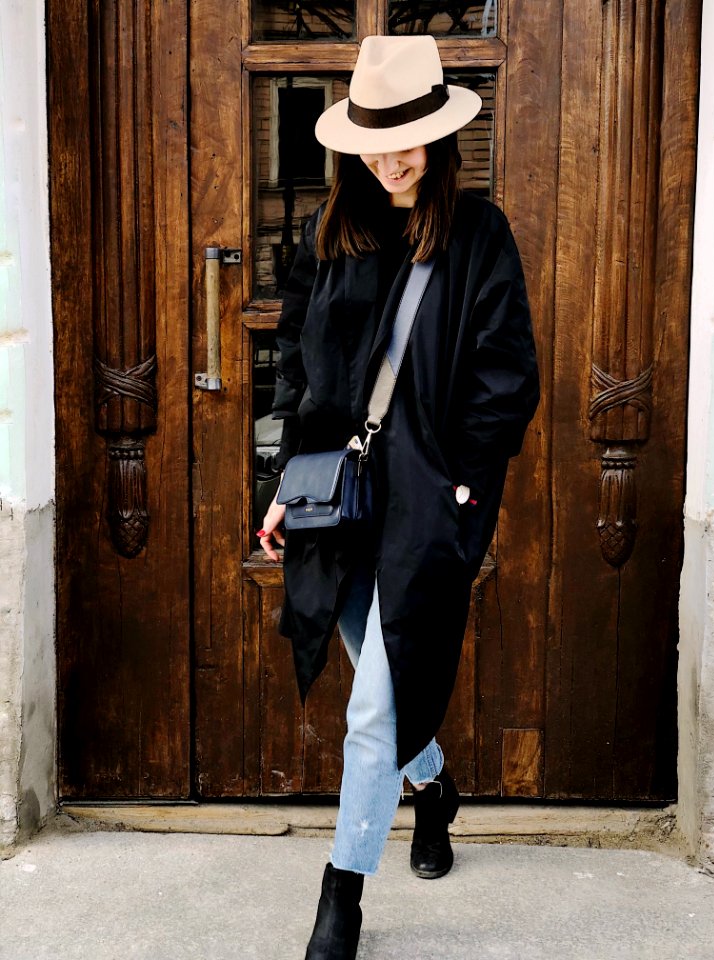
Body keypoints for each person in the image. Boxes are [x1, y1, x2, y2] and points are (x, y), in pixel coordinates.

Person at [257, 34, 540, 960]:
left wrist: (462, 479)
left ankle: (340, 899)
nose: (389, 159)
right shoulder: (331, 229)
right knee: (374, 667)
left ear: (440, 135)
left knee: (373, 702)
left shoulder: (478, 233)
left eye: (406, 140)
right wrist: (282, 488)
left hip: (427, 496)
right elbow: (299, 373)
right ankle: (438, 790)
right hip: (338, 492)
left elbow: (508, 375)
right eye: (374, 142)